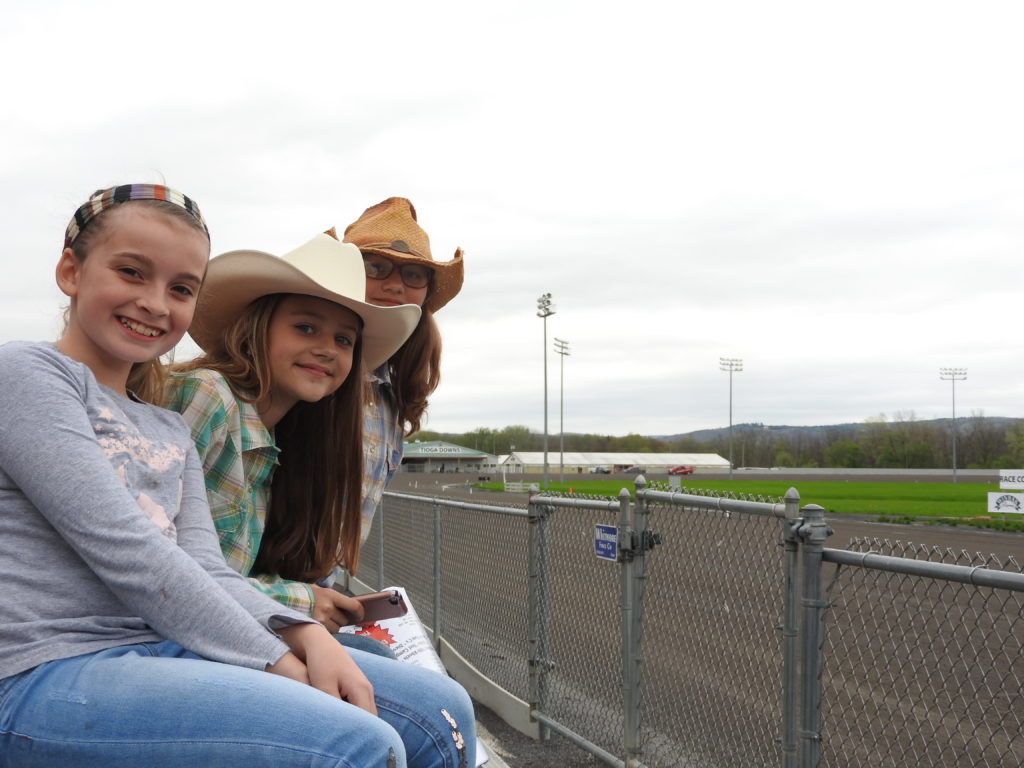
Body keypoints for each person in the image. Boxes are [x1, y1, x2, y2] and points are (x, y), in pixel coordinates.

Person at [0, 184, 427, 767]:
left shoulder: (167, 428)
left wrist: (303, 634)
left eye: (179, 289)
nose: (154, 303)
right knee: (355, 743)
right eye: (131, 272)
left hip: (152, 650)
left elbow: (203, 565)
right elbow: (128, 550)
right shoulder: (29, 373)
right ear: (70, 271)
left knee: (434, 711)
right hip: (41, 665)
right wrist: (277, 661)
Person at [163, 230, 474, 766]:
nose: (326, 349)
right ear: (258, 328)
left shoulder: (290, 431)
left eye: (344, 341)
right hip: (177, 640)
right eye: (306, 327)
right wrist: (303, 607)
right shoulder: (209, 399)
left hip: (220, 633)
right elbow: (170, 567)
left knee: (403, 678)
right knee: (436, 714)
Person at [342, 197, 464, 543]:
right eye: (375, 267)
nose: (395, 285)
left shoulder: (390, 402)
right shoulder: (300, 375)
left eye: (412, 274)